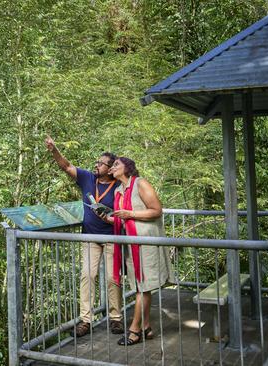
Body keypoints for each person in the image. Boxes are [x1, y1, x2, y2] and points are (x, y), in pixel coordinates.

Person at [44, 135, 124, 336]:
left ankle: (116, 318)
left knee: (113, 278)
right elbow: (66, 166)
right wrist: (54, 149)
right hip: (89, 237)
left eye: (101, 163)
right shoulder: (88, 178)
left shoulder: (118, 186)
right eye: (96, 162)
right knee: (87, 275)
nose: (96, 165)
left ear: (110, 168)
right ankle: (86, 321)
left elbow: (125, 211)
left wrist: (111, 218)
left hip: (112, 237)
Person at [106, 157, 173, 346]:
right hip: (131, 243)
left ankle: (134, 330)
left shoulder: (140, 183)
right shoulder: (119, 190)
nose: (113, 167)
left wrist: (130, 214)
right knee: (138, 286)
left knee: (143, 286)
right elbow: (125, 218)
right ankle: (146, 327)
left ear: (128, 167)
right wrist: (110, 218)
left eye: (116, 164)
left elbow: (156, 210)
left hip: (146, 243)